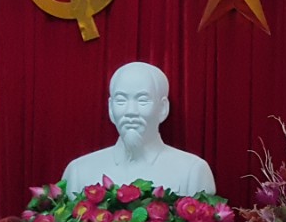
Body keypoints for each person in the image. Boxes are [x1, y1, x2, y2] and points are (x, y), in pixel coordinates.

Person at [61, 61, 215, 194]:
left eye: (142, 100)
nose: (130, 111)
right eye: (121, 100)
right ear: (110, 108)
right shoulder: (78, 172)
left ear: (163, 108)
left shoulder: (193, 172)